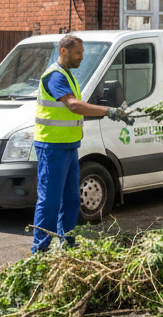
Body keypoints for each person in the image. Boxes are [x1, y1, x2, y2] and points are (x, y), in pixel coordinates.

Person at [32, 34, 128, 254]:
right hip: (52, 147)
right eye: (78, 53)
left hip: (69, 146)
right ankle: (40, 249)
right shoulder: (54, 77)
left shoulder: (67, 75)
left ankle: (66, 244)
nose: (82, 57)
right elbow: (74, 106)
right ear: (64, 51)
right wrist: (108, 111)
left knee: (72, 200)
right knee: (50, 201)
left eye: (83, 53)